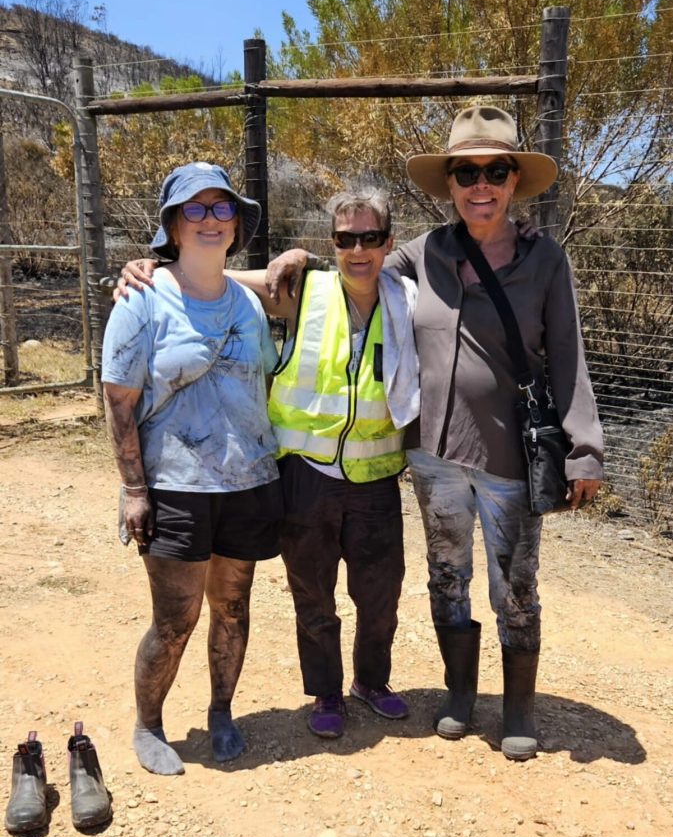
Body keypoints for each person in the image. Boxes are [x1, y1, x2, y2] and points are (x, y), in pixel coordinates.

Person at [266, 107, 603, 760]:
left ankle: (517, 708)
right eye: (466, 172)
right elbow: (352, 270)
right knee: (446, 576)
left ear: (513, 181)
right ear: (449, 184)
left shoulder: (543, 259)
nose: (481, 183)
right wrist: (293, 258)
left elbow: (567, 354)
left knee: (515, 584)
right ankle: (456, 693)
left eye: (494, 170)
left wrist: (584, 448)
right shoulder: (422, 255)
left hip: (510, 455)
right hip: (433, 456)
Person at [117, 188, 420, 740]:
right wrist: (151, 263)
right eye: (345, 239)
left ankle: (371, 682)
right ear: (332, 244)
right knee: (313, 594)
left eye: (369, 238)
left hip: (375, 476)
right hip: (304, 475)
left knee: (381, 594)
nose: (358, 250)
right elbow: (212, 277)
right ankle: (326, 692)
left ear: (388, 243)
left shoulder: (409, 301)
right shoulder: (307, 292)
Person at [102, 161, 283, 775]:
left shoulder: (251, 303)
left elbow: (325, 271)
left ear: (237, 224)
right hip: (175, 486)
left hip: (250, 480)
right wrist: (133, 488)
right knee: (175, 619)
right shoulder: (142, 298)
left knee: (233, 607)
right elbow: (119, 401)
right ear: (173, 225)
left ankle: (222, 710)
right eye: (195, 209)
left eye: (222, 208)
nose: (210, 220)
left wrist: (305, 252)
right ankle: (149, 725)